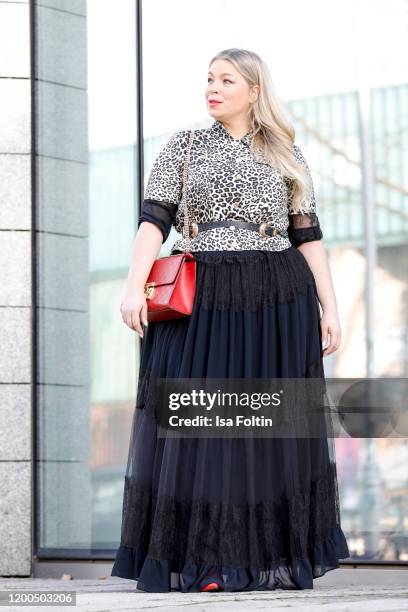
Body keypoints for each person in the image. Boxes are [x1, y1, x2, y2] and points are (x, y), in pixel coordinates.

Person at [111, 47, 350, 593]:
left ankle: (259, 557)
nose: (213, 88)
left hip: (276, 298)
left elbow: (308, 238)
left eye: (226, 80)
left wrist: (329, 307)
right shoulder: (184, 146)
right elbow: (154, 223)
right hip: (202, 299)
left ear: (254, 90)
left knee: (263, 431)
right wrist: (132, 287)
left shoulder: (286, 153)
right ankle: (206, 560)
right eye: (210, 79)